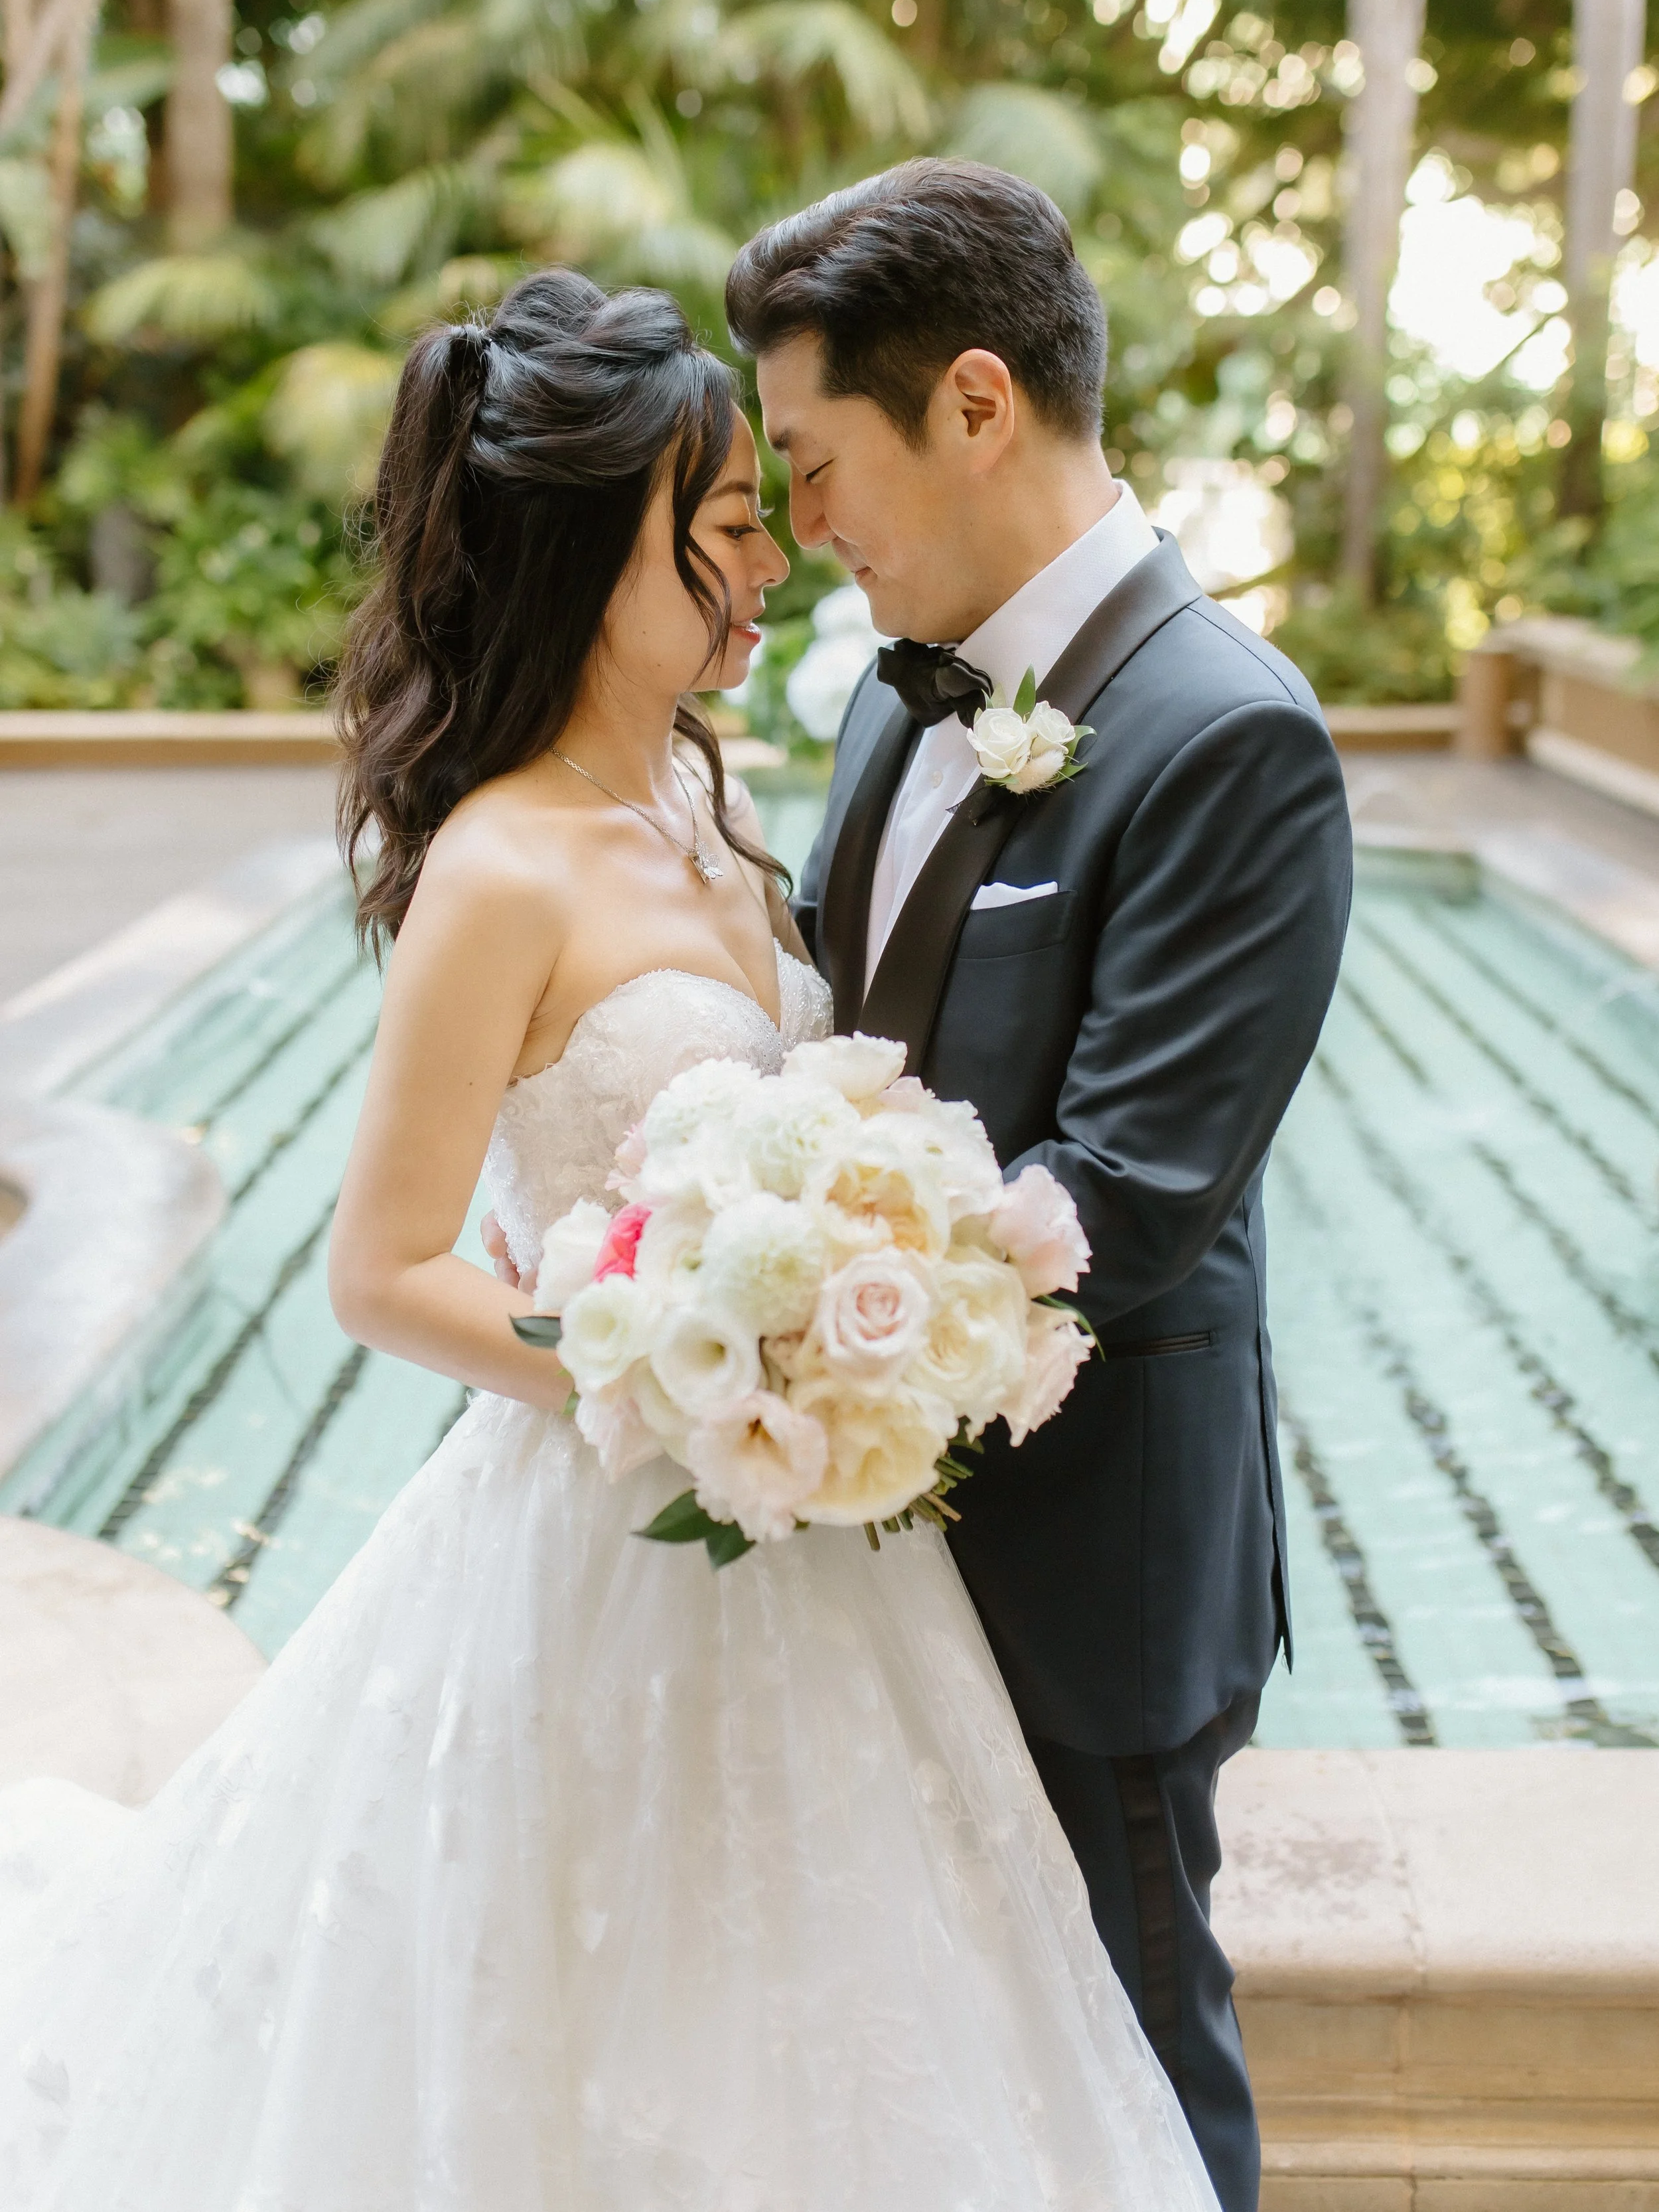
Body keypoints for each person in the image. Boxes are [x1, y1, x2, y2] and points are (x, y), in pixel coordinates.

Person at [0, 269, 1219, 2211]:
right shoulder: (496, 866)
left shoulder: (708, 799)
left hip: (819, 1551)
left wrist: (843, 1345)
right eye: (727, 524)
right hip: (607, 1530)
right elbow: (383, 1265)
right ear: (595, 548)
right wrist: (666, 1357)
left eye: (761, 510)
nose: (771, 561)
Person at [723, 158, 1354, 2212]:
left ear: (973, 404)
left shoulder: (1223, 736)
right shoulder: (888, 700)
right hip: (856, 1556)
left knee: (1130, 2069)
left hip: (1081, 1573)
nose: (804, 524)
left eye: (816, 462)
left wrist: (762, 1314)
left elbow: (1120, 1193)